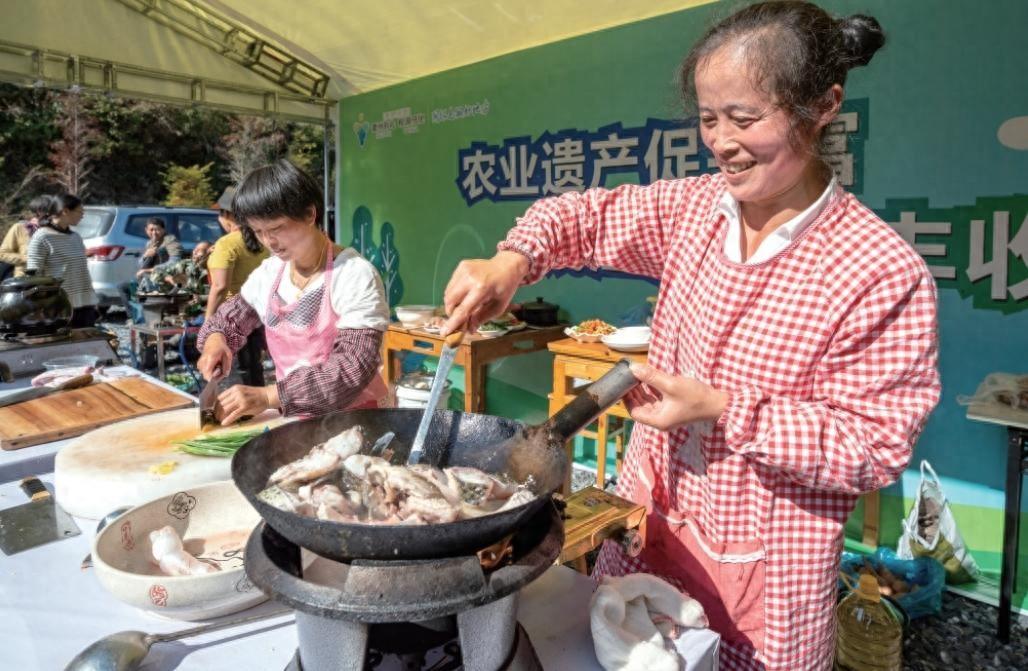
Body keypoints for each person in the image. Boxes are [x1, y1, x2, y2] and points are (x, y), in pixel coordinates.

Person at [440, 3, 941, 669]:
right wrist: (512, 260)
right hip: (652, 524)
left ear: (822, 106)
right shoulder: (697, 209)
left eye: (744, 118)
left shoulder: (877, 269)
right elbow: (580, 217)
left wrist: (722, 407)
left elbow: (873, 444)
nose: (722, 141)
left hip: (767, 568)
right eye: (709, 119)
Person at [197, 159, 390, 425]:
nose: (269, 242)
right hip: (296, 421)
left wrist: (268, 396)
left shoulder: (354, 274)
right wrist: (215, 341)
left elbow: (352, 367)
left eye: (276, 228)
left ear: (310, 214)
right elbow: (228, 319)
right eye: (258, 231)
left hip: (356, 421)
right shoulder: (270, 272)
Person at [206, 186, 269, 386]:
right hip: (256, 315)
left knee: (233, 374)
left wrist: (209, 322)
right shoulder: (262, 241)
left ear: (226, 215)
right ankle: (259, 409)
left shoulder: (227, 244)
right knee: (254, 368)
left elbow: (220, 286)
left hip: (230, 317)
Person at [26, 192, 99, 328]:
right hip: (59, 307)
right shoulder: (42, 237)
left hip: (85, 306)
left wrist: (92, 299)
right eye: (79, 211)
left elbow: (82, 272)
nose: (82, 215)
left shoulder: (75, 237)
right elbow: (34, 276)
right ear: (65, 211)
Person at [0, 195, 51, 279]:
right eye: (50, 210)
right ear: (39, 211)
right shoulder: (20, 228)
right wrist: (28, 258)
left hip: (50, 282)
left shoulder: (56, 231)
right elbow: (2, 254)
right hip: (25, 281)